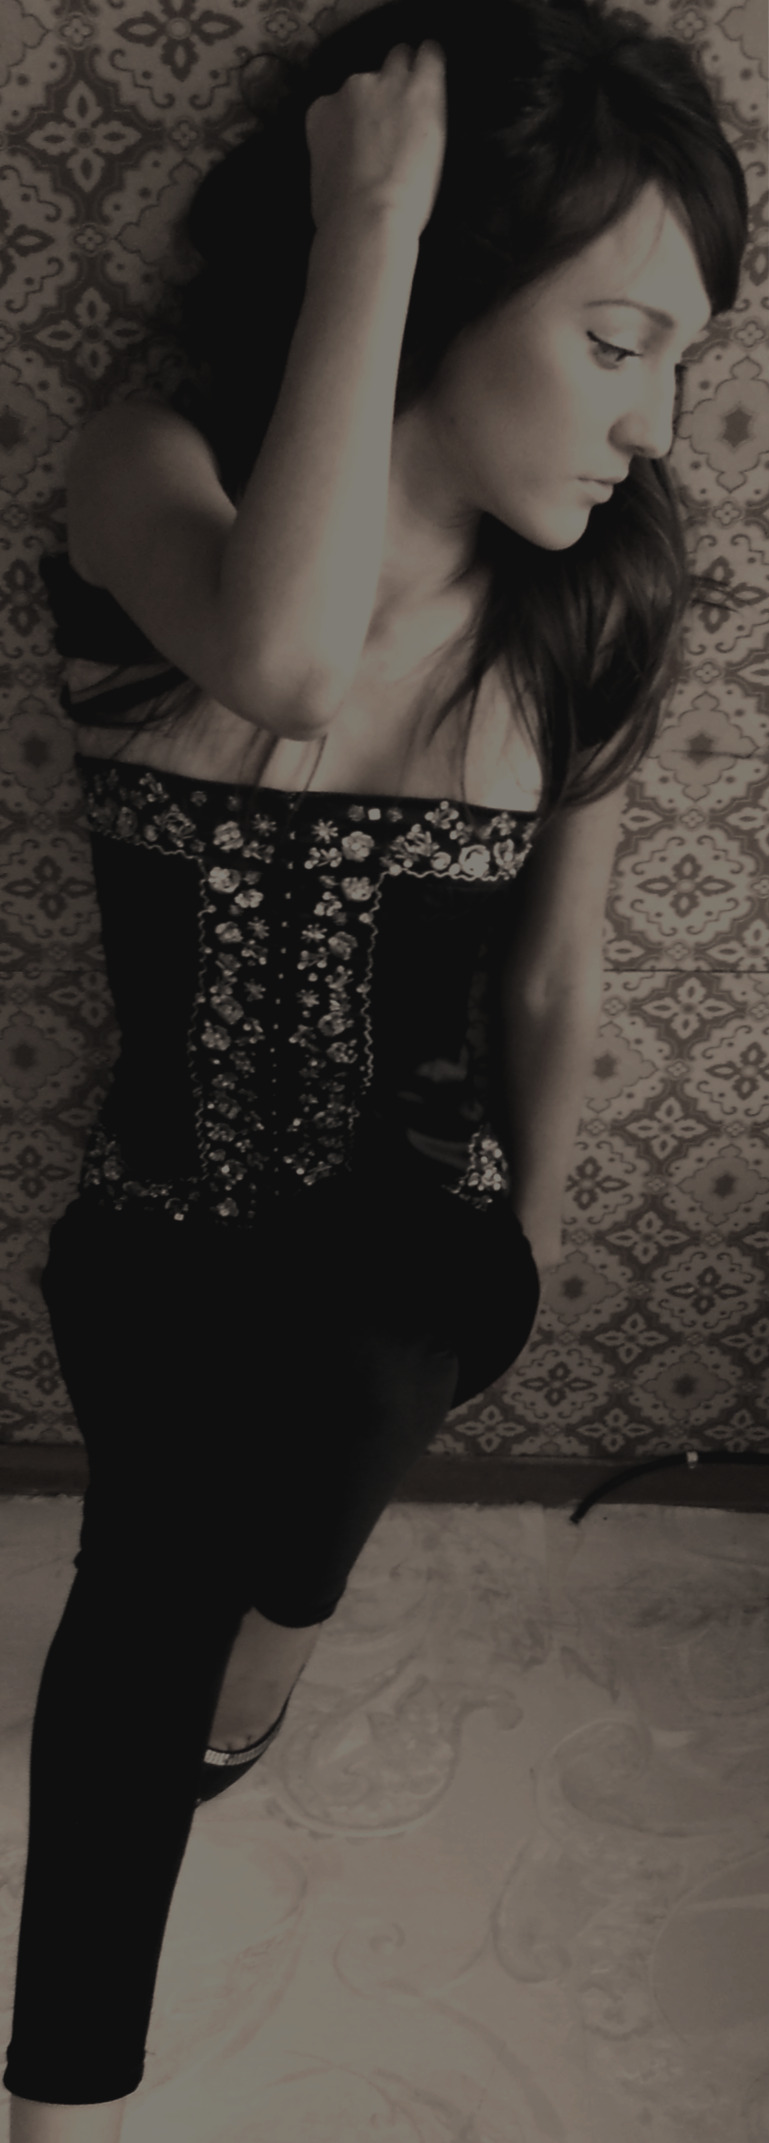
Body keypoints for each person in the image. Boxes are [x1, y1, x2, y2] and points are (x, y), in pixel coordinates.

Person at [4, 0, 747, 2133]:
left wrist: (532, 1247)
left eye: (682, 365)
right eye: (617, 343)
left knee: (318, 1466)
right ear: (424, 274)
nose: (650, 427)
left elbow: (553, 974)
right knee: (157, 1572)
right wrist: (372, 227)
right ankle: (62, 2101)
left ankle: (287, 1627)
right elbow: (286, 657)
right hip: (162, 1205)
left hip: (418, 1237)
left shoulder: (591, 606)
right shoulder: (147, 471)